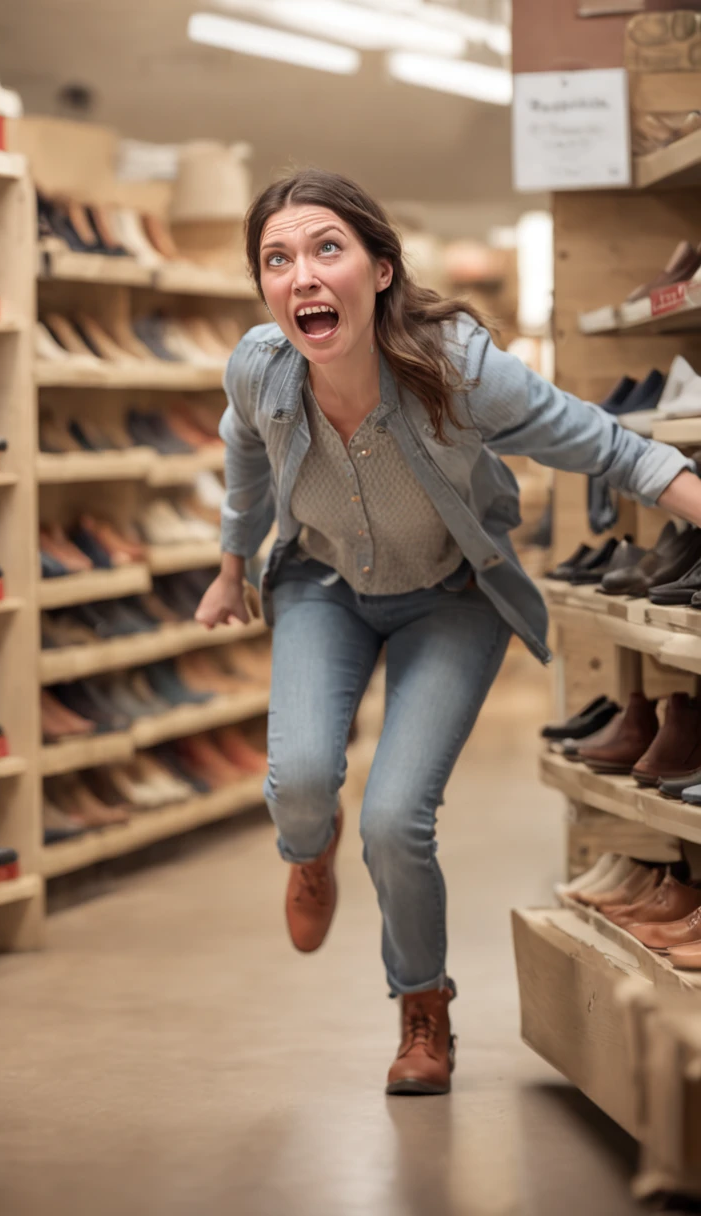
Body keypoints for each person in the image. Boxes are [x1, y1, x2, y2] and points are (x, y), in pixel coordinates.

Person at [194, 167, 701, 1096]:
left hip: (451, 596)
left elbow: (607, 442)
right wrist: (232, 564)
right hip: (323, 587)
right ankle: (308, 850)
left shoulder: (457, 370)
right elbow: (242, 454)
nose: (301, 274)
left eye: (326, 249)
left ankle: (422, 1009)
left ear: (380, 270)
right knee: (302, 786)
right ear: (264, 287)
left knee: (395, 821)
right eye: (277, 259)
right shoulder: (260, 370)